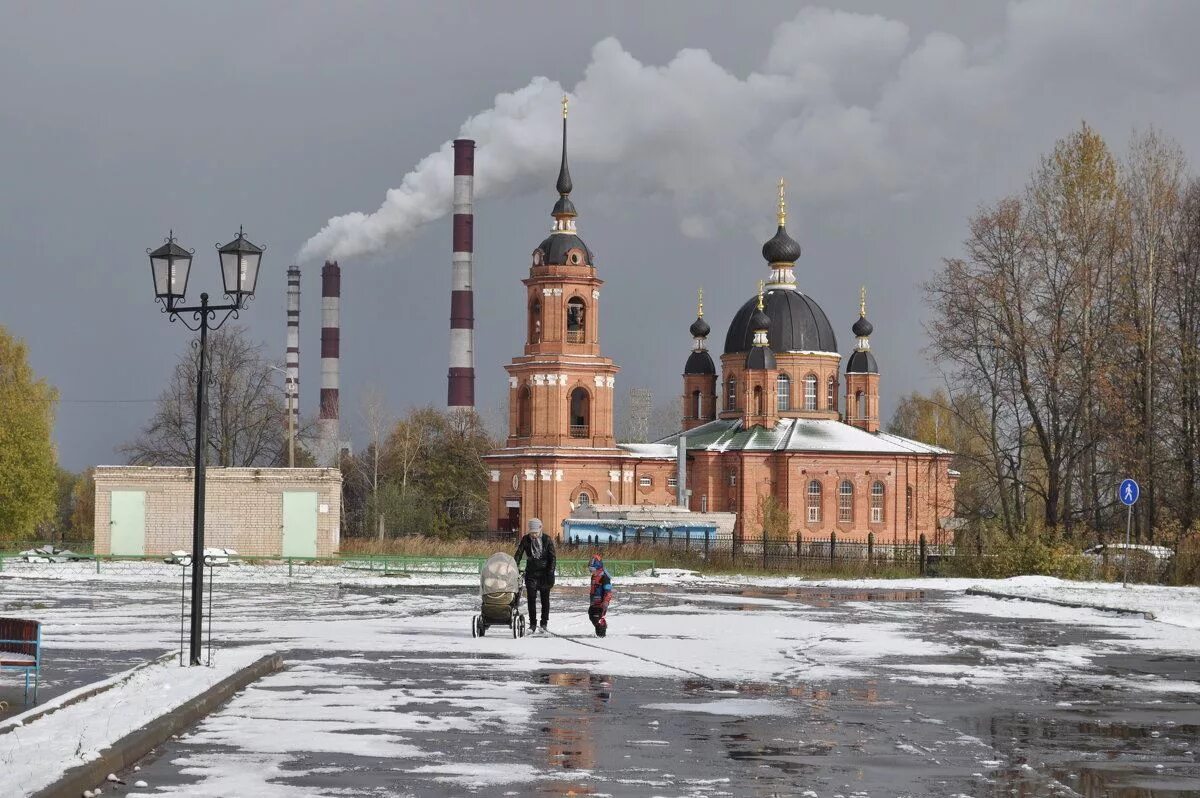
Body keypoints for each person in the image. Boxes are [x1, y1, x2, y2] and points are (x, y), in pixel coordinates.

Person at [514, 518, 556, 634]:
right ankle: (532, 624)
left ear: (540, 529)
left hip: (544, 574)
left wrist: (550, 573)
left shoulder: (547, 539)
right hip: (531, 574)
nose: (533, 535)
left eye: (535, 532)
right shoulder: (526, 539)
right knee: (531, 599)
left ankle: (544, 624)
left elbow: (552, 558)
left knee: (544, 600)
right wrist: (514, 566)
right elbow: (518, 553)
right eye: (531, 532)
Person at [587, 554, 612, 637]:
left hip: (601, 603)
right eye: (590, 570)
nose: (591, 571)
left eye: (592, 569)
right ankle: (600, 627)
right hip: (594, 602)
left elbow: (608, 592)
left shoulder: (604, 577)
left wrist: (605, 601)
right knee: (591, 614)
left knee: (595, 617)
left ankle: (601, 631)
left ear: (598, 568)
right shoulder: (594, 577)